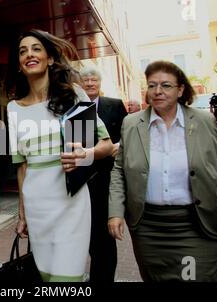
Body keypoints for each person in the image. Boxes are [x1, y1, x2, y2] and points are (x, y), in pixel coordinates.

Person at [108, 60, 217, 282]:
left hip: (197, 225)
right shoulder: (131, 123)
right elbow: (119, 170)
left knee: (194, 278)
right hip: (149, 228)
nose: (157, 91)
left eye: (166, 85)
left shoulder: (203, 120)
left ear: (180, 90)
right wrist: (115, 212)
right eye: (152, 85)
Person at [6, 29, 113, 282]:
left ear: (50, 59)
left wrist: (84, 154)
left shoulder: (72, 95)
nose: (29, 54)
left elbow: (106, 145)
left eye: (36, 49)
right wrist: (22, 214)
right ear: (20, 65)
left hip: (71, 202)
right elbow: (21, 167)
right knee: (46, 277)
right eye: (23, 51)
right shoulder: (13, 108)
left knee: (66, 280)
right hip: (36, 207)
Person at [80, 66, 127, 282]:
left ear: (99, 84)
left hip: (106, 178)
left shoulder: (114, 105)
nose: (90, 84)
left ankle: (103, 278)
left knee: (104, 236)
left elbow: (128, 134)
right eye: (86, 80)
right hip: (80, 180)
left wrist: (118, 145)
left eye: (93, 80)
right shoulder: (75, 107)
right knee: (84, 234)